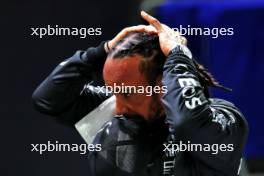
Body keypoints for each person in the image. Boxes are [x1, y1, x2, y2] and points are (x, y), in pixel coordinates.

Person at [32, 11, 248, 176]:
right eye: (114, 92)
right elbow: (48, 100)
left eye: (127, 93)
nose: (118, 106)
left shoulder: (225, 121)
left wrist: (177, 55)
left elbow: (187, 122)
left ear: (163, 84)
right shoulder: (117, 110)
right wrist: (101, 52)